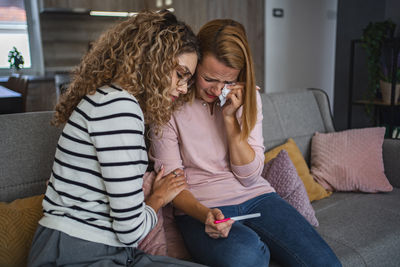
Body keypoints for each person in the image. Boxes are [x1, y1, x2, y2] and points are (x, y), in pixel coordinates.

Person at [150, 19, 342, 267]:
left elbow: (250, 177)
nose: (218, 90)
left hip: (258, 198)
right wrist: (206, 215)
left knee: (324, 263)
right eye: (209, 78)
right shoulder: (168, 105)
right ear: (195, 65)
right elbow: (171, 186)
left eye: (227, 81)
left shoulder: (246, 98)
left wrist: (231, 120)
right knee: (247, 256)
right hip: (200, 209)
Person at [28, 10, 205, 267]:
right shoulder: (119, 107)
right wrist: (158, 197)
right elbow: (130, 230)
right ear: (153, 60)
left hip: (100, 249)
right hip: (76, 252)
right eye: (180, 74)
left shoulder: (112, 100)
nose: (183, 88)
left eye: (187, 80)